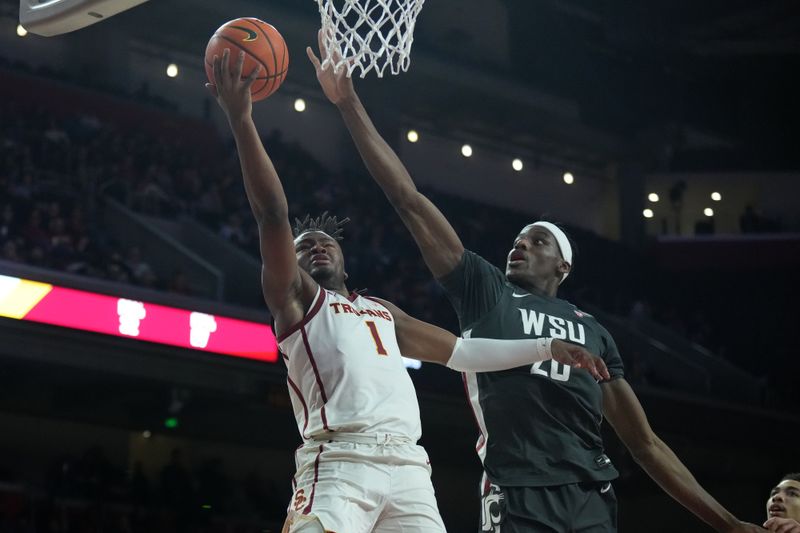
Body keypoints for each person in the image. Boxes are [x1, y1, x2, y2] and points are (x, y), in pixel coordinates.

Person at [307, 32, 765, 533]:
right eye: (519, 239)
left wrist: (729, 524)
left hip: (591, 493)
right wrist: (348, 103)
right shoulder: (485, 290)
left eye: (538, 241)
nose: (520, 245)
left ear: (563, 267)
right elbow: (407, 198)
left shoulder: (595, 333)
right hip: (517, 490)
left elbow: (646, 445)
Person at [206, 48, 609, 533]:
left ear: (344, 255)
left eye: (324, 241)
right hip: (339, 460)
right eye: (304, 245)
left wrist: (545, 347)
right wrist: (242, 119)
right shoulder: (295, 300)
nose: (316, 248)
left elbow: (463, 352)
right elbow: (271, 213)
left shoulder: (382, 312)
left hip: (410, 470)